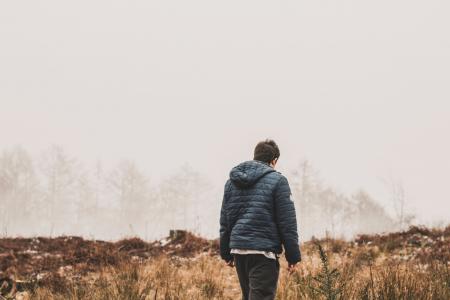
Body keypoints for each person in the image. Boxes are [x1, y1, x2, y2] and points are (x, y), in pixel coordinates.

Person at [220, 139, 301, 300]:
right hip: (263, 253)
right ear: (274, 160)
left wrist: (226, 254)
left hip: (239, 250)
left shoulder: (231, 182)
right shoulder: (278, 181)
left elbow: (225, 221)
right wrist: (293, 257)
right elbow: (287, 224)